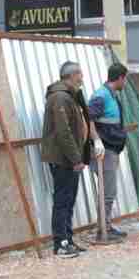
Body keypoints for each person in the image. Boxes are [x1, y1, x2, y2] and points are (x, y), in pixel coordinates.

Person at [41, 61, 92, 258]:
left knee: (69, 200)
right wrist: (76, 158)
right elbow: (64, 133)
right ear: (72, 75)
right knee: (62, 201)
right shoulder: (60, 97)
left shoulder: (70, 96)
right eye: (80, 74)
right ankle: (60, 244)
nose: (82, 78)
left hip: (70, 159)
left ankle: (68, 240)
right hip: (64, 160)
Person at [85, 63, 134, 237]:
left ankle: (106, 226)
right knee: (107, 191)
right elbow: (88, 118)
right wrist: (96, 140)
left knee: (109, 190)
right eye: (125, 78)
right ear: (120, 77)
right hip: (104, 151)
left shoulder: (112, 96)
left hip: (111, 149)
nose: (126, 82)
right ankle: (103, 230)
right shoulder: (101, 96)